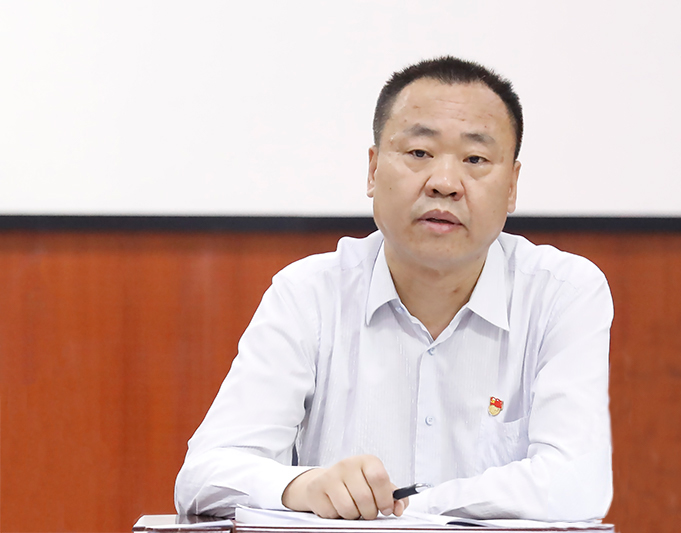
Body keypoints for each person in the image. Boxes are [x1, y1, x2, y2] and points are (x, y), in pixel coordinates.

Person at [174, 56, 613, 522]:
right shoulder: (308, 295)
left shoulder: (561, 295)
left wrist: (407, 512)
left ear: (511, 188)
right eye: (419, 153)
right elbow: (203, 477)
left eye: (475, 159)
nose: (444, 183)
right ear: (372, 170)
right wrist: (304, 485)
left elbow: (575, 483)